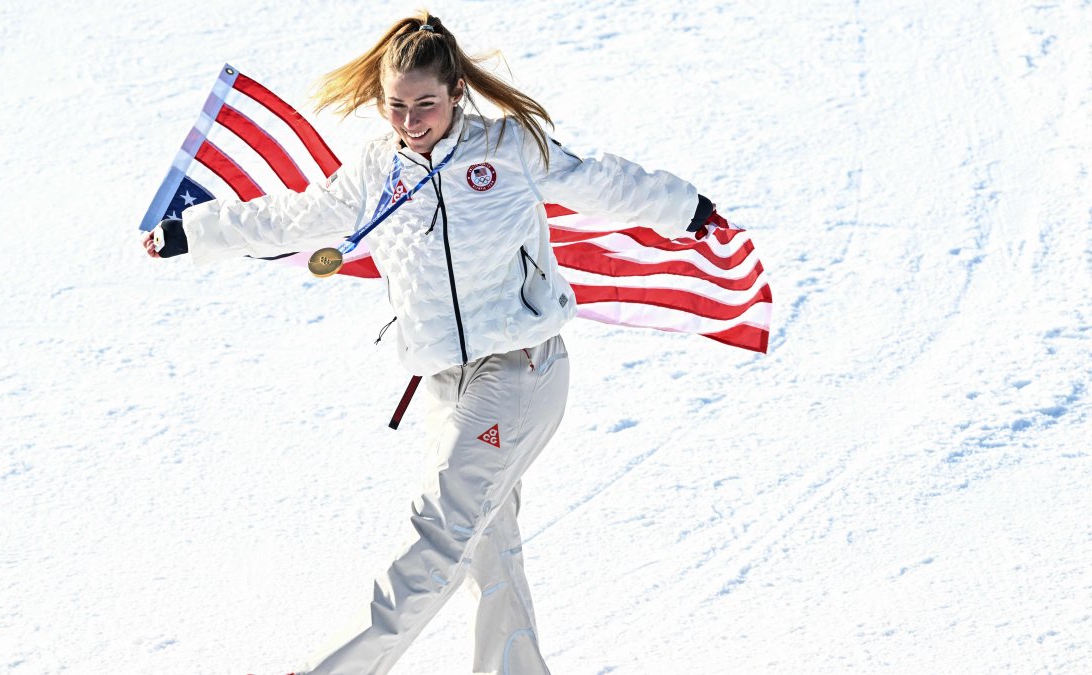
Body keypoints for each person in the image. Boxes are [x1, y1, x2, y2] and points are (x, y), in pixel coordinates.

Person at [144, 11, 714, 675]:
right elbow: (293, 216)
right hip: (446, 383)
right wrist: (198, 229)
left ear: (455, 96)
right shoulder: (375, 171)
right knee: (485, 547)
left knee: (440, 536)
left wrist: (684, 206)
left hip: (521, 371)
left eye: (426, 105)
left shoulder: (507, 150)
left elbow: (602, 180)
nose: (412, 122)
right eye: (396, 107)